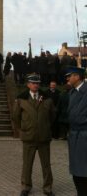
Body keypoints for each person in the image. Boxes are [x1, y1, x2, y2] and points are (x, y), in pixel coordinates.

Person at [13, 74, 55, 196]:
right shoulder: (21, 99)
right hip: (28, 137)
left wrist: (45, 126)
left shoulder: (47, 98)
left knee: (46, 165)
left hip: (44, 137)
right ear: (28, 84)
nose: (36, 85)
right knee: (27, 164)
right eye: (33, 83)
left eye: (37, 83)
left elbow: (53, 116)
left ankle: (48, 188)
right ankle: (26, 186)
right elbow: (16, 117)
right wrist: (24, 129)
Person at [65, 66, 87, 196]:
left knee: (83, 171)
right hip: (74, 135)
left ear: (77, 77)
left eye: (70, 76)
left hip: (84, 135)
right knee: (76, 172)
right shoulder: (72, 92)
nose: (67, 78)